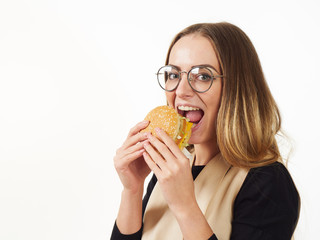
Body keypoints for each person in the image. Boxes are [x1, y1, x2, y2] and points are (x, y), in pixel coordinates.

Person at [110, 22, 300, 240]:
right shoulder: (170, 170)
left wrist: (185, 207)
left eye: (203, 76)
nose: (181, 91)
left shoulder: (268, 182)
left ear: (236, 89)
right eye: (173, 75)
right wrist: (132, 191)